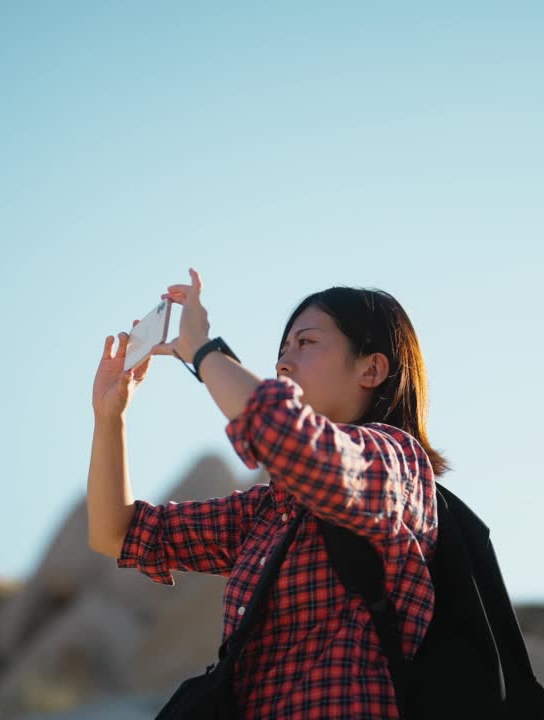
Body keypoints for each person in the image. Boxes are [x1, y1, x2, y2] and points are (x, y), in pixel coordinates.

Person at [87, 268, 449, 719]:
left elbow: (283, 432)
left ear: (371, 369)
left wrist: (202, 351)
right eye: (281, 350)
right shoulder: (269, 512)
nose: (283, 362)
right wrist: (109, 416)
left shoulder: (395, 461)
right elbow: (118, 534)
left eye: (306, 343)